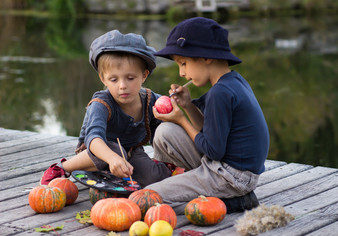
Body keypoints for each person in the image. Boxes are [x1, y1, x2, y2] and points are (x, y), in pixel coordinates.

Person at [145, 17, 270, 214]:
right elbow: (210, 132)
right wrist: (187, 105)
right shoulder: (232, 81)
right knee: (165, 131)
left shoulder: (220, 93)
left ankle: (233, 198)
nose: (182, 73)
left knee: (147, 196)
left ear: (206, 57)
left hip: (232, 176)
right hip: (232, 169)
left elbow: (213, 150)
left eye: (184, 63)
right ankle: (224, 195)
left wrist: (181, 119)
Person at [40, 30, 172, 187]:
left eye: (130, 78)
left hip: (131, 153)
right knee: (117, 152)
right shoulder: (102, 103)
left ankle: (114, 172)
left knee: (155, 176)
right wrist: (112, 158)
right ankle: (63, 167)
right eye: (114, 79)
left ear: (144, 75)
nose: (122, 86)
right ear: (103, 78)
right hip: (97, 152)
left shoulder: (152, 101)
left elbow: (161, 131)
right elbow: (93, 139)